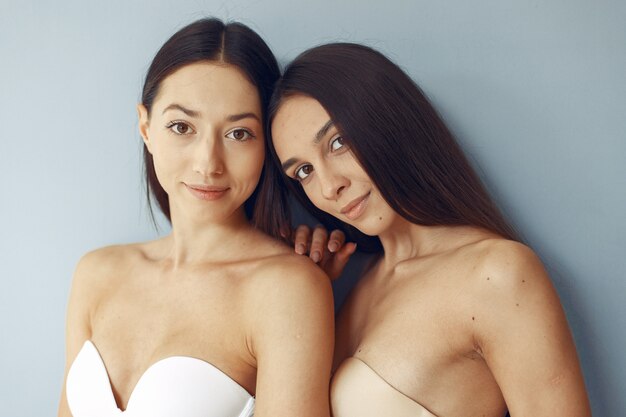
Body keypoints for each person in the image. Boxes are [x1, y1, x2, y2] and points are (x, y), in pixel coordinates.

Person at [268, 43, 591, 417]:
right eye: (303, 171)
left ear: (389, 121)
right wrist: (306, 293)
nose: (328, 187)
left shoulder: (496, 274)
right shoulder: (351, 289)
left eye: (337, 142)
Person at [57, 18, 334, 417]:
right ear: (146, 126)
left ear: (266, 144)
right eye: (182, 126)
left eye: (239, 133)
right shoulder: (95, 273)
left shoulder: (287, 289)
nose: (208, 163)